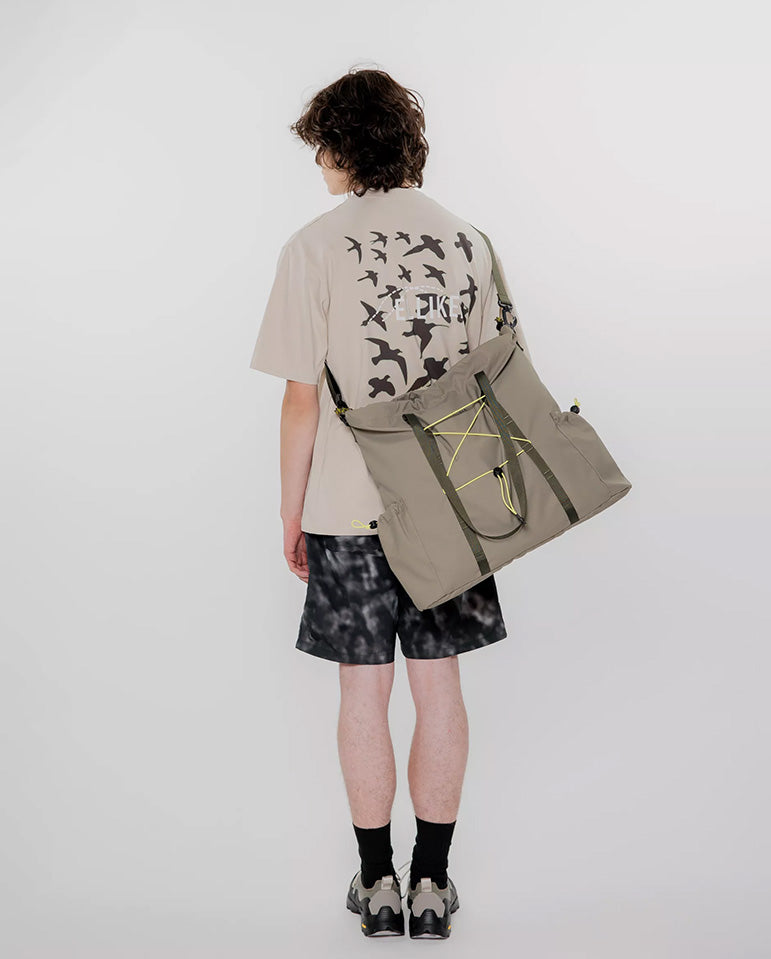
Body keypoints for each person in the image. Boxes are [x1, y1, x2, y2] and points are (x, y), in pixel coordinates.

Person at [248, 67, 533, 939]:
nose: (319, 165)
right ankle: (432, 884)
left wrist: (291, 511)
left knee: (362, 693)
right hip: (451, 506)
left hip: (345, 506)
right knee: (438, 688)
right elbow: (499, 379)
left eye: (321, 149)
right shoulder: (469, 243)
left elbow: (301, 400)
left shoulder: (312, 247)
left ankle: (376, 884)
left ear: (343, 145)